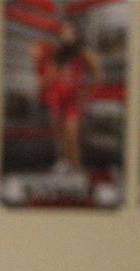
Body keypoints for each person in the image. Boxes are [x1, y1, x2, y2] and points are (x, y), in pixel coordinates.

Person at [32, 24, 103, 174]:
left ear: (76, 35)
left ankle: (77, 168)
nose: (67, 36)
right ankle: (63, 164)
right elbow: (48, 76)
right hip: (57, 97)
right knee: (59, 135)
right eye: (64, 33)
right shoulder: (57, 54)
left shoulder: (83, 53)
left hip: (73, 99)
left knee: (72, 135)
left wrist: (86, 92)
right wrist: (45, 85)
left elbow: (97, 75)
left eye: (70, 33)